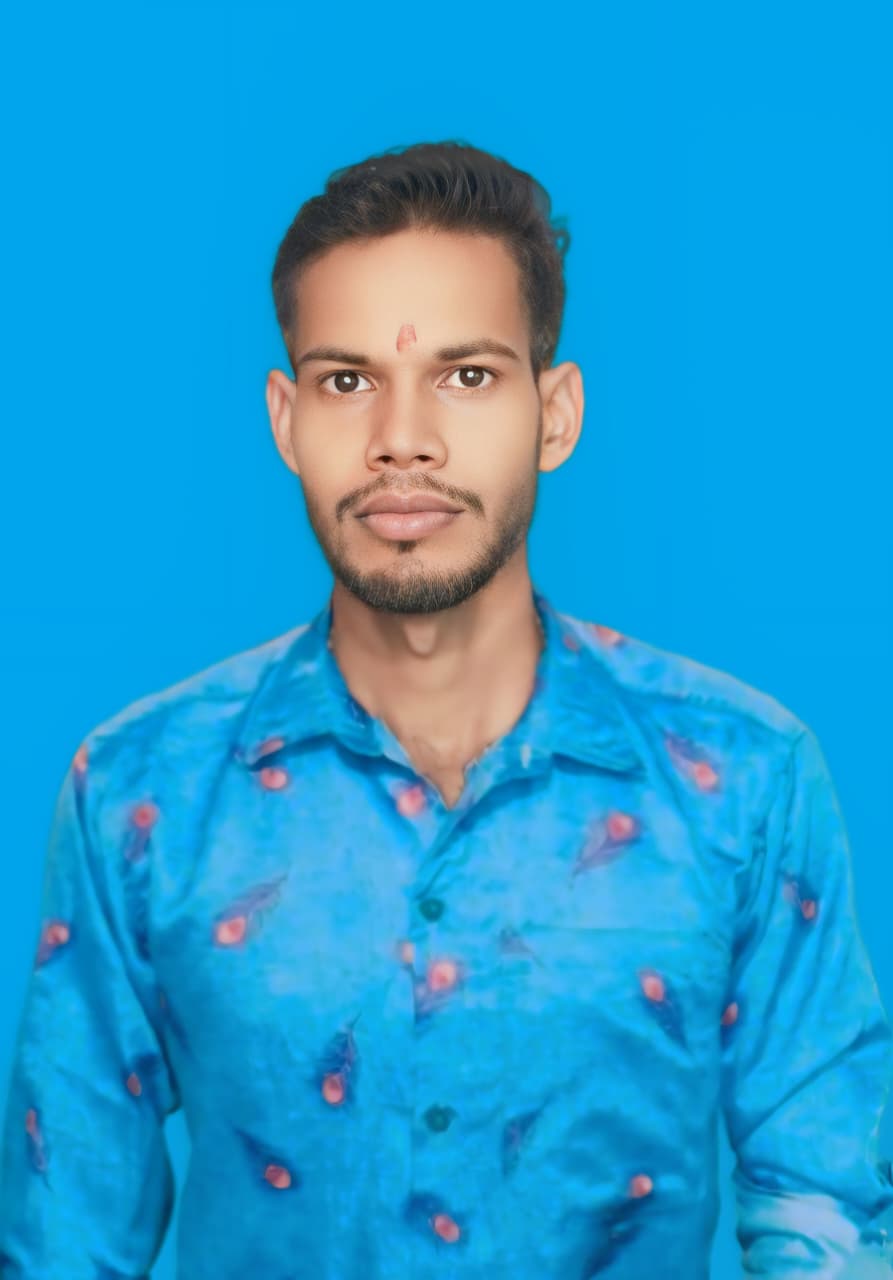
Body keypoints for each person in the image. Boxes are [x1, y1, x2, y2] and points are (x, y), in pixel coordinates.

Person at [0, 140, 891, 1280]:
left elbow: (826, 1212)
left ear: (554, 414)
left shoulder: (746, 776)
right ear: (285, 419)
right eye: (346, 380)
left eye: (465, 375)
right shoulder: (140, 791)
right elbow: (66, 1238)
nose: (402, 438)